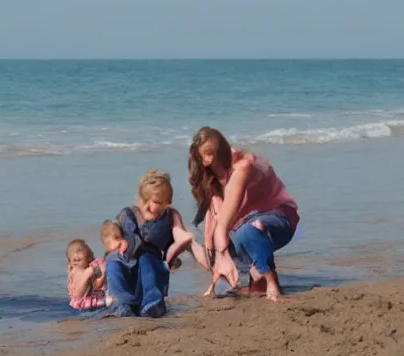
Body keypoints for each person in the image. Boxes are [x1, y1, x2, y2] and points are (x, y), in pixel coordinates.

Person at [188, 127, 299, 302]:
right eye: (208, 154)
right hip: (246, 226)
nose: (215, 156)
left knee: (246, 231)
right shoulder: (211, 181)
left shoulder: (242, 165)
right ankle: (255, 278)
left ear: (224, 147)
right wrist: (214, 254)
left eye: (217, 151)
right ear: (201, 160)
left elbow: (223, 226)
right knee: (220, 239)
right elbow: (215, 221)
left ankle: (271, 282)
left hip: (278, 218)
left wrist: (220, 246)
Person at [105, 171, 202, 317]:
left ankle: (153, 303)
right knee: (112, 260)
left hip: (153, 273)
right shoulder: (128, 215)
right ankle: (122, 304)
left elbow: (181, 243)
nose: (163, 207)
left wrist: (178, 255)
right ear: (145, 199)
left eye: (166, 202)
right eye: (158, 202)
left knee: (147, 257)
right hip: (130, 272)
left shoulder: (168, 217)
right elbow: (118, 240)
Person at [66, 238, 108, 311]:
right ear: (70, 261)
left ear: (89, 258)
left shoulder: (90, 267)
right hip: (83, 306)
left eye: (79, 260)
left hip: (92, 304)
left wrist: (102, 265)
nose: (76, 262)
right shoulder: (76, 272)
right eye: (74, 260)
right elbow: (77, 295)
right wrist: (87, 276)